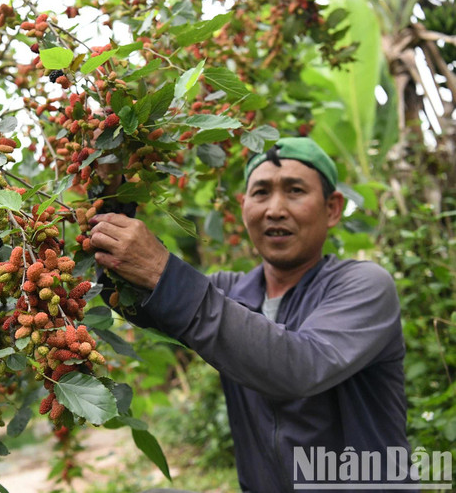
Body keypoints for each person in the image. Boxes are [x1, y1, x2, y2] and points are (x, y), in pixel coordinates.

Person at [89, 138, 411, 492]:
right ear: (243, 208)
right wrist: (112, 193)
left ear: (332, 208)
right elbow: (132, 295)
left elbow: (301, 367)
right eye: (261, 193)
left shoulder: (364, 286)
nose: (275, 209)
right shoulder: (227, 293)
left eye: (295, 190)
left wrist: (163, 272)